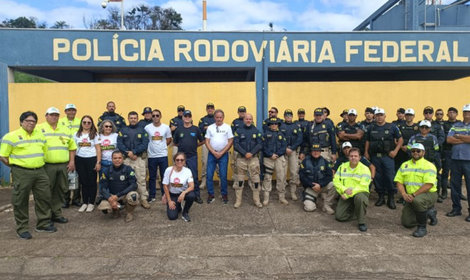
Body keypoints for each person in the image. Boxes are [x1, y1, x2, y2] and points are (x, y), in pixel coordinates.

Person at [0, 111, 56, 239]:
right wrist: (15, 166)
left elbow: (44, 152)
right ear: (21, 122)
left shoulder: (40, 135)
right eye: (28, 121)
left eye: (33, 121)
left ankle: (43, 223)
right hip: (22, 172)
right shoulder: (11, 136)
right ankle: (22, 228)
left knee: (44, 197)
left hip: (40, 171)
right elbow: (3, 156)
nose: (31, 123)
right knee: (21, 200)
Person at [37, 107, 76, 224]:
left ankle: (57, 214)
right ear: (46, 115)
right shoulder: (39, 129)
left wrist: (72, 161)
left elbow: (72, 147)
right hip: (47, 166)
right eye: (51, 115)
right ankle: (46, 216)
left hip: (63, 166)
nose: (54, 117)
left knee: (60, 190)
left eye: (56, 115)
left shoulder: (65, 129)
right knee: (46, 191)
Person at [395, 143, 438, 237]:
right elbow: (399, 181)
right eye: (413, 151)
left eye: (418, 151)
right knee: (407, 223)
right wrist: (404, 194)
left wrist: (413, 195)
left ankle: (422, 228)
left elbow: (429, 185)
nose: (415, 153)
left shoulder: (429, 165)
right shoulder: (405, 165)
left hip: (428, 193)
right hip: (411, 196)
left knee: (418, 201)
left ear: (423, 153)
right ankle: (428, 212)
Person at [364, 108, 403, 209]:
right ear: (374, 116)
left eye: (381, 115)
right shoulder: (371, 128)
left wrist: (395, 151)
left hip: (387, 157)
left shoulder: (392, 127)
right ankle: (381, 197)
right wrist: (366, 152)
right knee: (377, 177)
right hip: (375, 157)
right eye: (377, 115)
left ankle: (390, 198)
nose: (379, 117)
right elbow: (368, 141)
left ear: (385, 116)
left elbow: (400, 140)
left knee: (389, 177)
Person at [117, 111, 150, 209]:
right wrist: (129, 153)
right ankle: (125, 199)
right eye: (131, 118)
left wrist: (134, 152)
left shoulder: (142, 130)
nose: (133, 120)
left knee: (141, 179)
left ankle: (143, 199)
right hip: (126, 159)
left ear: (137, 119)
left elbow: (145, 144)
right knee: (125, 180)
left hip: (139, 158)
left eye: (135, 118)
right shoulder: (123, 130)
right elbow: (119, 143)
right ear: (128, 119)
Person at [334, 147, 372, 232]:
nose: (353, 158)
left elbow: (363, 185)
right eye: (351, 156)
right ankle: (357, 212)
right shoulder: (342, 167)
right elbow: (336, 180)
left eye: (355, 156)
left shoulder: (365, 169)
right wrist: (343, 190)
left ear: (359, 157)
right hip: (345, 193)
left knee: (359, 198)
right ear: (348, 157)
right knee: (339, 217)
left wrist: (347, 194)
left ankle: (361, 222)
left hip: (360, 193)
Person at [173, 110, 205, 204]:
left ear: (191, 117)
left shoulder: (196, 129)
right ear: (182, 117)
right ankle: (179, 193)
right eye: (185, 116)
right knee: (180, 175)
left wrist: (195, 146)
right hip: (180, 158)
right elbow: (175, 142)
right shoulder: (179, 130)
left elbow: (202, 141)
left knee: (194, 176)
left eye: (189, 116)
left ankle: (196, 195)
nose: (187, 118)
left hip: (192, 156)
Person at [97, 151, 139, 222]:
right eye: (115, 158)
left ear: (122, 159)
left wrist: (118, 195)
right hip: (112, 195)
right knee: (103, 206)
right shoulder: (107, 171)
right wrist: (110, 198)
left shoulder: (129, 169)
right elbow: (102, 188)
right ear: (112, 159)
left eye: (119, 158)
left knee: (134, 196)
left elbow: (133, 185)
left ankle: (129, 212)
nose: (117, 160)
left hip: (124, 195)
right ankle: (115, 210)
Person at [445, 104, 470, 221]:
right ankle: (456, 208)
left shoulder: (457, 129)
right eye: (465, 111)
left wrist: (459, 136)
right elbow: (449, 139)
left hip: (468, 160)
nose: (467, 113)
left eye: (469, 111)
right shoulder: (456, 125)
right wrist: (466, 138)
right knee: (455, 185)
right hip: (455, 159)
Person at [233, 113, 263, 208]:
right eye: (246, 119)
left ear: (252, 120)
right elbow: (236, 144)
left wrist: (252, 153)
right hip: (241, 159)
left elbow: (260, 144)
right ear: (244, 120)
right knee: (240, 180)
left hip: (253, 159)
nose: (248, 120)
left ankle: (256, 200)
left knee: (256, 180)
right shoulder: (238, 131)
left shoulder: (256, 131)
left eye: (250, 119)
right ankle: (238, 201)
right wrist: (245, 153)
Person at [407, 120, 442, 203]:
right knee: (413, 178)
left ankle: (435, 195)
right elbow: (409, 149)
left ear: (429, 128)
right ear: (419, 128)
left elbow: (436, 149)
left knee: (434, 179)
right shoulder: (414, 137)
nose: (424, 129)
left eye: (426, 127)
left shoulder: (433, 138)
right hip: (416, 162)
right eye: (422, 127)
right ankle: (409, 195)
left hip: (430, 162)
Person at [205, 109, 234, 204]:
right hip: (212, 154)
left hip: (224, 154)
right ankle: (211, 194)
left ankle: (224, 194)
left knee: (223, 175)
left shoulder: (227, 127)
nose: (218, 119)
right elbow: (207, 141)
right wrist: (213, 152)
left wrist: (222, 152)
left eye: (220, 117)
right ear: (214, 118)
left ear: (223, 117)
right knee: (209, 175)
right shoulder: (210, 128)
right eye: (217, 117)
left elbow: (230, 141)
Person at [74, 115, 101, 213]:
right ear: (81, 123)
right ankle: (85, 202)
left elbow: (98, 149)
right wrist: (72, 161)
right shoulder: (76, 134)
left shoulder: (95, 134)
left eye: (89, 122)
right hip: (80, 160)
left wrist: (98, 162)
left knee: (92, 182)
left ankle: (91, 203)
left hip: (92, 159)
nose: (86, 124)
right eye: (84, 122)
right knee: (83, 182)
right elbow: (73, 149)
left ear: (92, 124)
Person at [299, 144, 335, 214]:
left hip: (322, 186)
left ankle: (327, 205)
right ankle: (310, 198)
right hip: (311, 187)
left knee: (334, 185)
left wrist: (320, 185)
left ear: (320, 152)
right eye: (314, 151)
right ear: (311, 152)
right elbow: (302, 176)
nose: (316, 152)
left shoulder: (325, 162)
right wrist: (312, 185)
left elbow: (329, 176)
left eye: (318, 151)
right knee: (309, 208)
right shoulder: (305, 161)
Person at [144, 109, 172, 202]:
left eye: (157, 115)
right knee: (152, 176)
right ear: (151, 117)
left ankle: (165, 194)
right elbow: (145, 140)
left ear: (160, 116)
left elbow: (168, 139)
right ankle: (152, 195)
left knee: (164, 176)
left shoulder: (166, 127)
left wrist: (162, 146)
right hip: (152, 156)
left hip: (163, 155)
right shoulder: (147, 127)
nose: (155, 117)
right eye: (153, 116)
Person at [162, 152, 196, 222]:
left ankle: (185, 212)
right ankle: (178, 206)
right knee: (172, 217)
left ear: (184, 161)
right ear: (174, 161)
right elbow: (165, 186)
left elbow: (192, 186)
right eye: (177, 160)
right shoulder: (168, 170)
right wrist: (169, 201)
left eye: (182, 160)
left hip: (182, 194)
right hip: (172, 194)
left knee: (192, 195)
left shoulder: (187, 171)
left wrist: (184, 193)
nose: (179, 161)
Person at [261, 117, 288, 205]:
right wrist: (270, 154)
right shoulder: (265, 135)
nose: (274, 125)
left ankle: (281, 197)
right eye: (272, 124)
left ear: (278, 125)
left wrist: (277, 154)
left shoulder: (282, 134)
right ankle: (266, 198)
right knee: (267, 178)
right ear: (269, 125)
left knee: (281, 177)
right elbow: (263, 146)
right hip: (268, 159)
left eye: (276, 124)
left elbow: (284, 146)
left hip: (279, 159)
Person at [60, 104, 82, 208]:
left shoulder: (80, 121)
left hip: (78, 153)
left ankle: (76, 199)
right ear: (65, 111)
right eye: (69, 110)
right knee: (66, 177)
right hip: (65, 152)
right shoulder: (60, 122)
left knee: (77, 177)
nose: (71, 112)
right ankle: (65, 199)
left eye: (73, 110)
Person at [279, 109, 303, 201]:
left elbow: (300, 139)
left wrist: (292, 148)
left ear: (292, 117)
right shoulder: (281, 126)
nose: (288, 117)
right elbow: (279, 138)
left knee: (293, 172)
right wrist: (285, 148)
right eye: (286, 116)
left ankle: (293, 193)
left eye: (290, 116)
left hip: (293, 152)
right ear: (284, 117)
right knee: (283, 173)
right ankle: (283, 193)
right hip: (283, 151)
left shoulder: (296, 126)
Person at [441, 107, 460, 200]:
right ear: (447, 114)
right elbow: (446, 139)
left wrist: (455, 139)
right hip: (447, 151)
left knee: (456, 174)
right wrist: (461, 139)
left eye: (453, 112)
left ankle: (458, 193)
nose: (451, 114)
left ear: (457, 114)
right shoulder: (444, 125)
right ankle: (444, 192)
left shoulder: (460, 124)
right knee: (445, 173)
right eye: (450, 112)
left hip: (458, 151)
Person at [198, 102, 216, 190]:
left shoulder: (217, 118)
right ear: (206, 109)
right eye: (208, 108)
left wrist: (207, 127)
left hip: (216, 143)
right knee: (205, 161)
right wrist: (207, 128)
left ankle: (220, 180)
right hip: (206, 143)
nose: (210, 109)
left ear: (213, 109)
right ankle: (204, 180)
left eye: (211, 108)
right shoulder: (202, 119)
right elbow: (200, 130)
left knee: (218, 163)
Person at [230, 106, 247, 189]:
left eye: (243, 112)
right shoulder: (235, 122)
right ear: (238, 112)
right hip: (237, 147)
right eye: (240, 112)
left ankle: (250, 182)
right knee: (236, 165)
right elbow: (231, 134)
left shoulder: (248, 121)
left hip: (247, 148)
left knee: (249, 165)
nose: (242, 113)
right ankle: (236, 181)